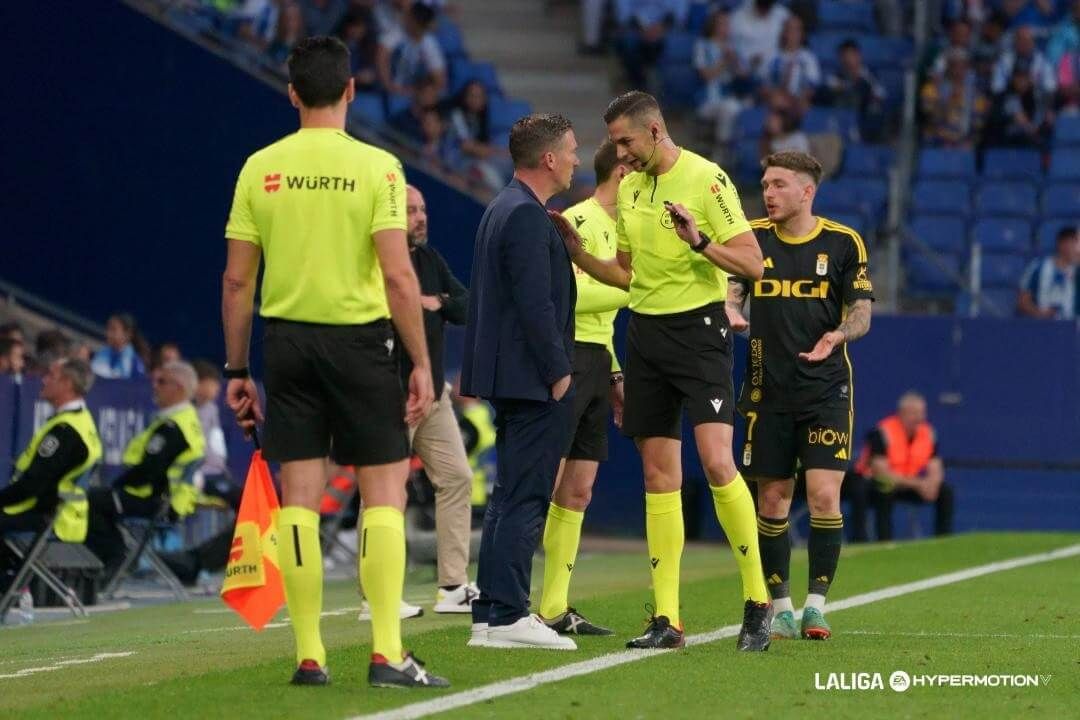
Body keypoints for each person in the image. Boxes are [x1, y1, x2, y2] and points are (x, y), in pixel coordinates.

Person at [220, 36, 446, 688]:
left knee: (300, 500)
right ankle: (385, 652)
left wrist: (238, 371)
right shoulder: (379, 167)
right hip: (360, 343)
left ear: (291, 93)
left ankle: (311, 655)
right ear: (351, 90)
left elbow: (238, 284)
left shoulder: (258, 167)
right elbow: (399, 276)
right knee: (384, 496)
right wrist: (421, 361)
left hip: (287, 344)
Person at [559, 91, 770, 652]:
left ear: (656, 132)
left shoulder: (707, 180)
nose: (618, 153)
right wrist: (580, 257)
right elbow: (628, 274)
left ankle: (757, 600)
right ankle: (668, 619)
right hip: (646, 335)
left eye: (625, 141)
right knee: (658, 476)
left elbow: (753, 261)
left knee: (718, 462)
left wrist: (699, 241)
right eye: (613, 143)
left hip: (700, 333)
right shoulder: (629, 187)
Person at [726, 151, 874, 642]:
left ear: (807, 192)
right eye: (765, 184)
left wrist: (839, 335)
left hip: (825, 388)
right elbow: (731, 289)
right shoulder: (750, 236)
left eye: (779, 185)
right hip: (765, 389)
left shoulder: (843, 241)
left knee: (824, 494)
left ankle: (816, 606)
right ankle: (782, 606)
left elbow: (861, 311)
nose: (768, 193)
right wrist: (731, 309)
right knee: (772, 499)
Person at [461, 113, 579, 651]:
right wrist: (558, 372)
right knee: (528, 493)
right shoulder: (527, 216)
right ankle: (509, 612)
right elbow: (536, 305)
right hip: (532, 379)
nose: (578, 158)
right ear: (549, 158)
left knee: (509, 493)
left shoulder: (502, 206)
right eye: (572, 150)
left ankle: (489, 614)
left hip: (507, 376)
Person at [537, 140, 631, 637]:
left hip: (597, 357)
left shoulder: (625, 227)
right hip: (567, 354)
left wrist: (615, 373)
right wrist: (637, 285)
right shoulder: (579, 220)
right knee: (544, 481)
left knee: (580, 488)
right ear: (620, 171)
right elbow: (572, 295)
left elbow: (604, 319)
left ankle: (554, 605)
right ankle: (505, 599)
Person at [399, 184, 477, 613]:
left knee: (457, 477)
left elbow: (468, 306)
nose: (420, 217)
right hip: (394, 392)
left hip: (434, 397)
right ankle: (378, 595)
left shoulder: (429, 260)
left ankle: (452, 587)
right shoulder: (377, 262)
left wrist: (438, 300)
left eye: (423, 208)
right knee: (386, 491)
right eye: (410, 210)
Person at [84, 362, 206, 577]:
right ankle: (119, 558)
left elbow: (149, 472)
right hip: (166, 499)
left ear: (178, 388)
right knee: (98, 499)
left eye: (161, 382)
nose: (155, 386)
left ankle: (116, 558)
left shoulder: (173, 427)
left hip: (155, 500)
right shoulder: (184, 420)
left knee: (88, 502)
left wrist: (116, 486)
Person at [0, 358, 101, 592]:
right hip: (59, 514)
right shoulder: (81, 422)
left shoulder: (65, 431)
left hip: (47, 514)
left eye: (51, 375)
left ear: (67, 383)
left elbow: (31, 486)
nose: (43, 380)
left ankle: (13, 588)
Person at [850, 392, 955, 540]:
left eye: (921, 413)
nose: (919, 418)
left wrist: (932, 484)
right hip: (878, 482)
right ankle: (883, 542)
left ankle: (943, 540)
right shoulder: (882, 432)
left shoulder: (928, 433)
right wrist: (919, 484)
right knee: (883, 491)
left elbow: (935, 465)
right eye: (914, 413)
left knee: (945, 491)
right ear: (901, 414)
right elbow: (881, 472)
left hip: (910, 483)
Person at [1018, 226, 1079, 320]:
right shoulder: (1038, 267)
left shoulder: (1077, 271)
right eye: (1075, 243)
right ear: (1063, 244)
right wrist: (1038, 313)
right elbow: (1023, 301)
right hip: (1043, 328)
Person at [90, 313, 148, 379]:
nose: (108, 333)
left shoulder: (135, 363)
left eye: (113, 329)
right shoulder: (102, 353)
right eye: (108, 328)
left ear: (128, 334)